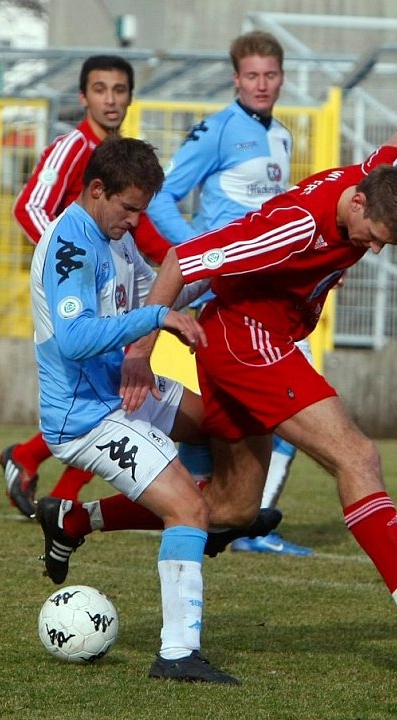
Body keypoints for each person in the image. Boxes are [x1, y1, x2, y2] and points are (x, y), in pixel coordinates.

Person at [121, 82, 397, 655]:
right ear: (358, 204)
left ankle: (75, 521)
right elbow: (185, 257)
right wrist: (139, 348)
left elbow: (396, 150)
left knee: (234, 507)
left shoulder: (371, 182)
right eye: (372, 238)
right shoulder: (294, 228)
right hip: (249, 342)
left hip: (251, 338)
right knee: (357, 455)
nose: (372, 250)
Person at [30, 135, 238, 683]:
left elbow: (158, 297)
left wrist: (225, 268)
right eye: (129, 210)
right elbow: (74, 339)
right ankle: (177, 654)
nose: (135, 223)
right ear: (97, 190)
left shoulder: (114, 235)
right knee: (189, 510)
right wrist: (154, 323)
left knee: (223, 426)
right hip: (86, 418)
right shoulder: (70, 246)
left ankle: (74, 518)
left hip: (125, 387)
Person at [147, 30, 312, 556]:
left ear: (281, 78)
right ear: (236, 79)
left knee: (232, 412)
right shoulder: (215, 131)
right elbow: (163, 197)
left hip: (264, 288)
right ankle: (239, 521)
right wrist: (199, 251)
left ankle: (212, 517)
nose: (262, 85)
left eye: (270, 75)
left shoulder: (282, 136)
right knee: (291, 402)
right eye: (252, 76)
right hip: (225, 287)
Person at [0, 54, 172, 518]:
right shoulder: (72, 146)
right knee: (110, 398)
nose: (111, 99)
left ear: (130, 97)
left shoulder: (125, 161)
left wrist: (180, 263)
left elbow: (142, 230)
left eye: (119, 90)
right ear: (83, 97)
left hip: (109, 292)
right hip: (73, 296)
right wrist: (76, 266)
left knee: (121, 396)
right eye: (100, 90)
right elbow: (29, 207)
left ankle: (42, 474)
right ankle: (59, 491)